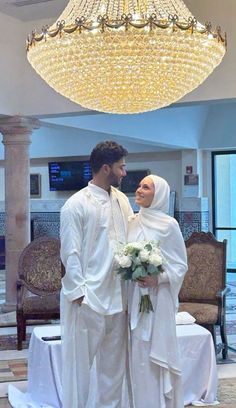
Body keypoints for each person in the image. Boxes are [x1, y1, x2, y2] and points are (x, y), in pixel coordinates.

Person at [60, 141, 133, 408]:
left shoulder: (122, 200)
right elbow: (71, 253)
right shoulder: (75, 204)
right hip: (88, 300)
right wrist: (80, 295)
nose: (124, 173)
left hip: (118, 299)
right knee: (80, 370)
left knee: (113, 371)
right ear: (106, 168)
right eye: (121, 167)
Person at [128, 174, 187, 408]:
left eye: (146, 187)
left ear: (159, 194)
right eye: (139, 186)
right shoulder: (132, 221)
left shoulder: (169, 225)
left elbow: (180, 265)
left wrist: (158, 278)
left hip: (158, 297)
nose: (139, 190)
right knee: (137, 351)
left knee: (153, 351)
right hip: (134, 296)